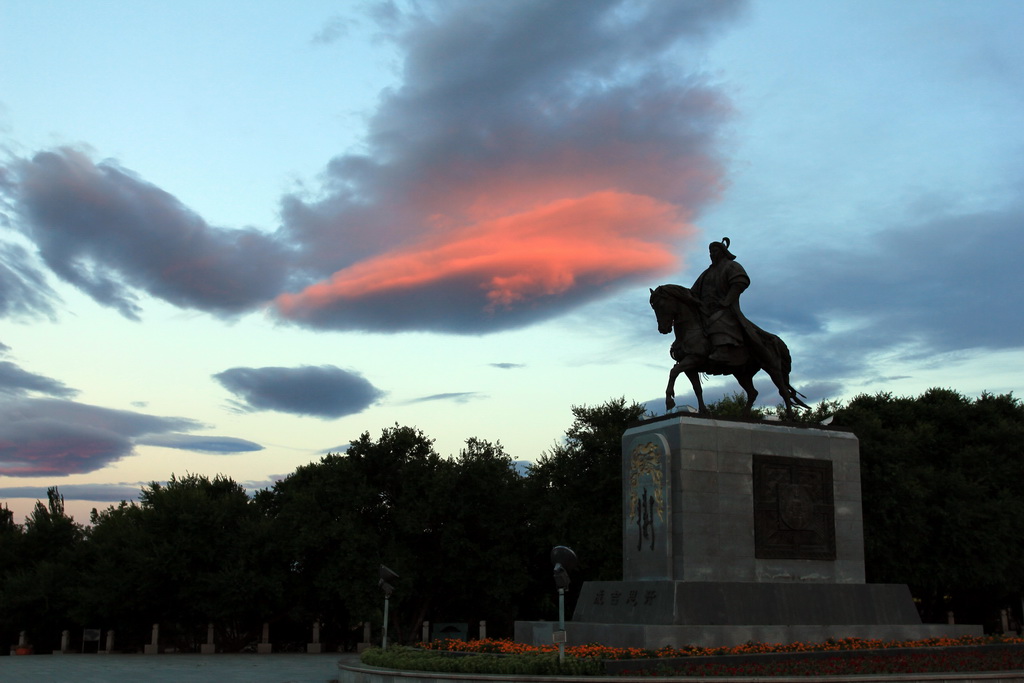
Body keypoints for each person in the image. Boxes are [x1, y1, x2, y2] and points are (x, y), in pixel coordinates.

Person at [690, 237, 750, 364]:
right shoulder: (706, 273)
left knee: (717, 320)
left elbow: (739, 282)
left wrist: (726, 301)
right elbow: (693, 292)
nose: (712, 254)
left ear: (722, 252)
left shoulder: (732, 266)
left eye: (715, 251)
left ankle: (722, 351)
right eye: (710, 252)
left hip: (724, 308)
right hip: (705, 308)